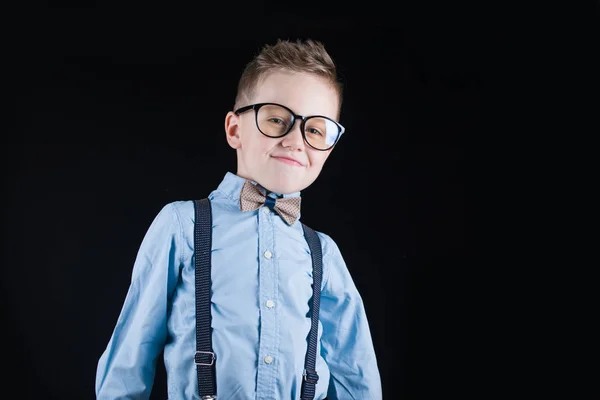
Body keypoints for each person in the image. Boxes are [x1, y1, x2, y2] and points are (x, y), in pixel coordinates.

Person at [95, 38, 382, 400]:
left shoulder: (323, 253)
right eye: (277, 119)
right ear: (234, 130)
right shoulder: (182, 225)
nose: (296, 140)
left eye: (314, 129)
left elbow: (356, 376)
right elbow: (129, 358)